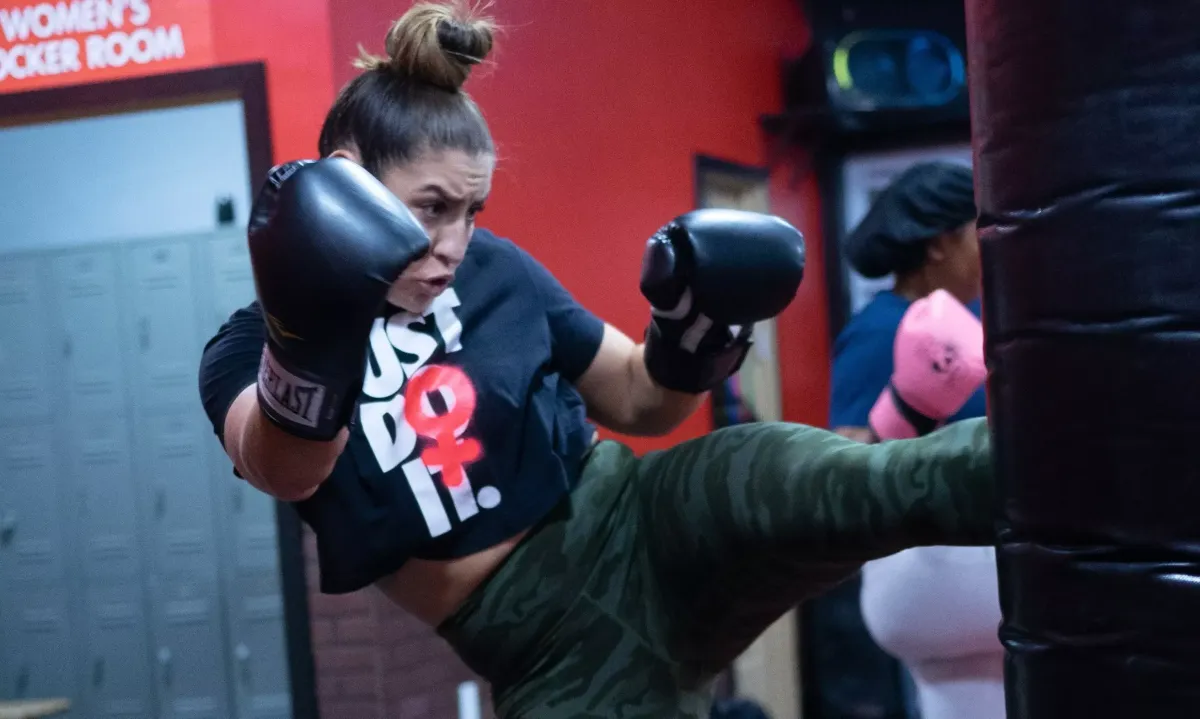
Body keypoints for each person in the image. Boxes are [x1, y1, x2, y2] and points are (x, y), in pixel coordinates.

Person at [197, 5, 997, 717]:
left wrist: (691, 335)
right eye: (431, 207)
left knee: (855, 479)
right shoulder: (247, 348)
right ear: (347, 179)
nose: (453, 244)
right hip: (544, 650)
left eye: (471, 210)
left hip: (647, 521)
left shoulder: (496, 269)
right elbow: (285, 468)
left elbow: (641, 399)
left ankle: (1065, 447)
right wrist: (310, 334)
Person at [819, 162, 1002, 719]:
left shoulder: (980, 320)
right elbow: (845, 470)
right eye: (977, 231)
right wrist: (908, 408)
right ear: (940, 243)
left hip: (977, 557)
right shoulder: (881, 329)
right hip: (933, 569)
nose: (989, 247)